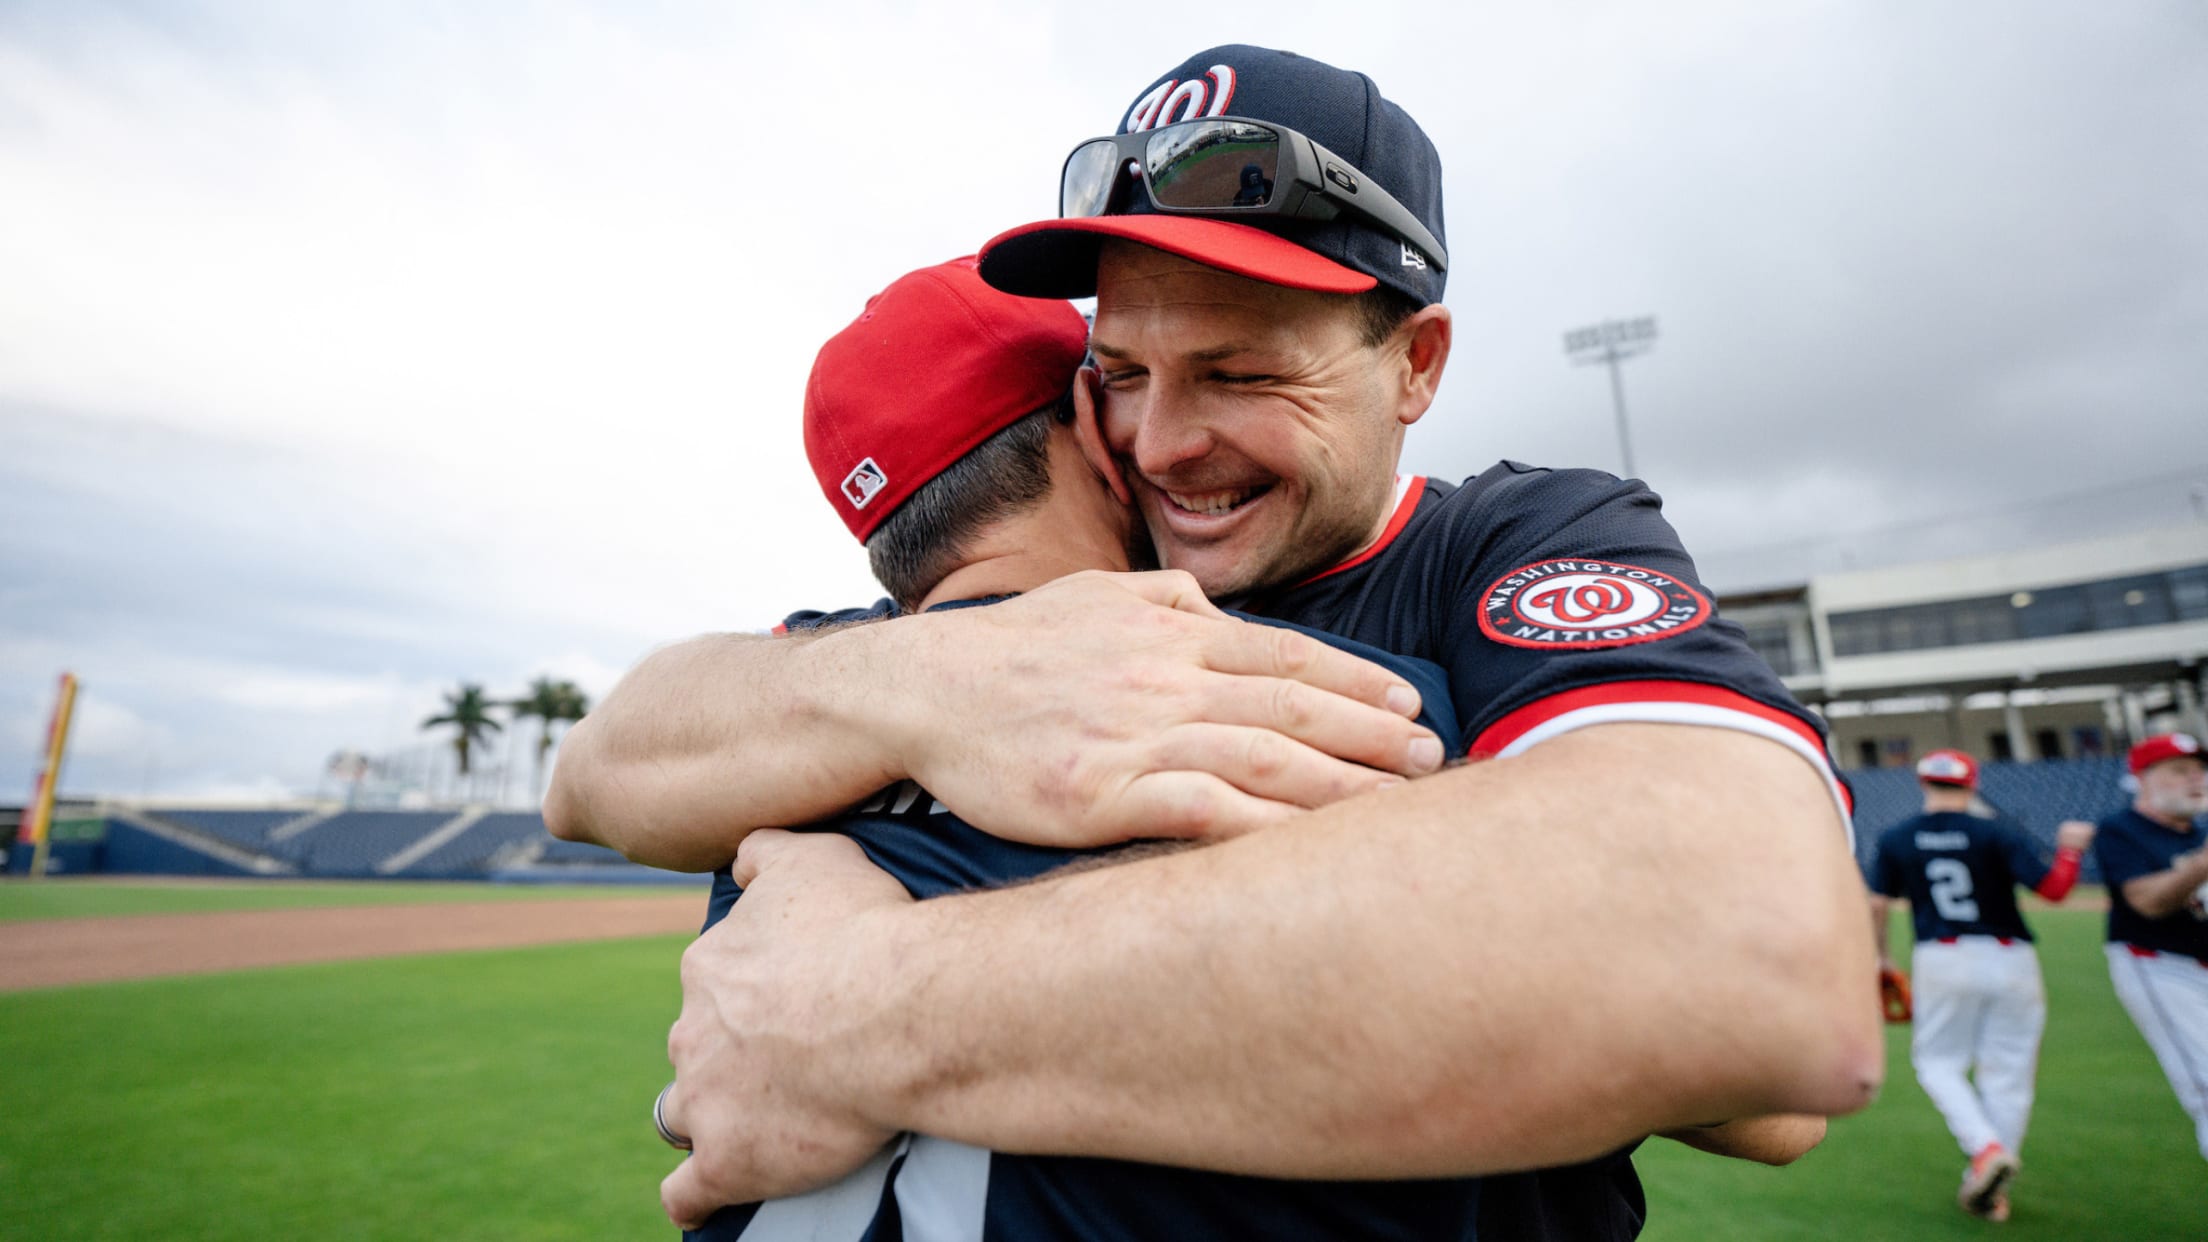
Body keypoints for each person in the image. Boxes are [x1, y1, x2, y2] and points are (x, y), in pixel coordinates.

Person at [550, 44, 1880, 1236]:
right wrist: (923, 681)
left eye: (1241, 372)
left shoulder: (1517, 537)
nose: (1165, 442)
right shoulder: (972, 635)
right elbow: (595, 768)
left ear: (1416, 364)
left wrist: (860, 1008)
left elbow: (1753, 976)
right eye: (1122, 375)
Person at [1862, 748, 2093, 1221]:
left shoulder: (1897, 836)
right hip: (2011, 957)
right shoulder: (1997, 832)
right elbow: (2054, 890)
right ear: (1972, 784)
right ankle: (1991, 1185)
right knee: (2008, 1074)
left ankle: (1985, 1152)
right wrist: (2070, 848)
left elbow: (1878, 904)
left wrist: (1881, 956)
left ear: (1923, 782)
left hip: (1942, 956)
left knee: (1938, 1063)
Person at [2089, 731, 2208, 1162]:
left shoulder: (2196, 830)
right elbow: (2148, 901)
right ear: (2142, 778)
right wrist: (2202, 863)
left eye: (2199, 770)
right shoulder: (2122, 830)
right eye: (2179, 771)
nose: (2195, 779)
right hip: (2158, 965)